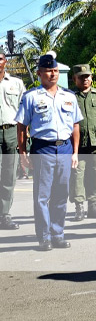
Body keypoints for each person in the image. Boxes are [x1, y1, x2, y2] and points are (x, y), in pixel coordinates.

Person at [16, 54, 81, 250]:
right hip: (42, 148)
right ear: (39, 73)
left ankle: (58, 233)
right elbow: (21, 126)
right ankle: (44, 236)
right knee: (42, 196)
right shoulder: (31, 97)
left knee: (62, 193)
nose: (52, 74)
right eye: (47, 71)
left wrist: (75, 152)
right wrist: (22, 153)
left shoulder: (69, 96)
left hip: (65, 148)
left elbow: (75, 125)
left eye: (54, 71)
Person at [69, 64, 96, 221]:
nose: (85, 79)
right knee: (77, 175)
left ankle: (93, 206)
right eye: (81, 77)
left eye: (88, 76)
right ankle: (79, 207)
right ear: (74, 79)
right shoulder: (70, 97)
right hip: (77, 144)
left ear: (91, 78)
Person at [0, 49, 25, 230]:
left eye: (0, 58)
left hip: (11, 131)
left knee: (9, 175)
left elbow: (23, 112)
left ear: (5, 61)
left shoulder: (16, 83)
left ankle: (5, 215)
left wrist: (24, 136)